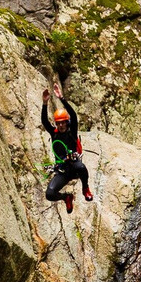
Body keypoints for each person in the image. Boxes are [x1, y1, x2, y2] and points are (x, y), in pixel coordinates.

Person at [41, 82, 92, 213]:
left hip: (74, 166)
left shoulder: (71, 132)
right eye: (58, 123)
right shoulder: (54, 134)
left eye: (63, 123)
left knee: (81, 167)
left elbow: (73, 116)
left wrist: (61, 98)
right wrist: (45, 103)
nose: (61, 125)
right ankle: (66, 198)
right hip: (62, 170)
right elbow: (45, 122)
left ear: (66, 122)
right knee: (50, 194)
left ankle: (85, 189)